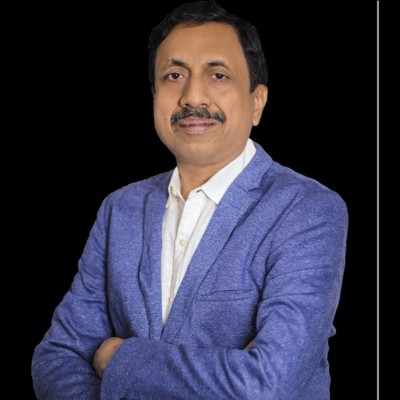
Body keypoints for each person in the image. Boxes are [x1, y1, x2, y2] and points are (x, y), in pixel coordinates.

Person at [31, 1, 349, 399]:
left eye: (218, 75)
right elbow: (56, 356)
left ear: (257, 101)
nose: (192, 95)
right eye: (174, 75)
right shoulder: (120, 210)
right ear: (154, 95)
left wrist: (119, 359)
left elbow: (268, 383)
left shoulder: (308, 210)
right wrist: (226, 369)